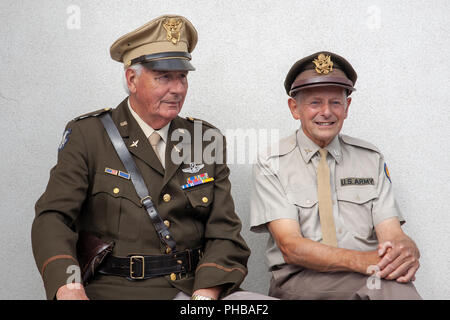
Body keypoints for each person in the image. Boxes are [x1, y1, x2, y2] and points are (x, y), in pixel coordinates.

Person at [32, 15, 265, 300]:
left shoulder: (205, 139)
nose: (178, 89)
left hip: (192, 289)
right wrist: (67, 285)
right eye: (164, 77)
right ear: (132, 79)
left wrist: (207, 292)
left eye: (182, 77)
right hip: (114, 290)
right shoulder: (88, 135)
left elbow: (225, 232)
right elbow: (53, 217)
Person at [249, 51, 422, 299]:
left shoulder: (370, 159)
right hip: (301, 279)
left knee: (400, 289)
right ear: (294, 108)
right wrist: (366, 262)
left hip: (368, 276)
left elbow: (391, 234)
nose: (326, 112)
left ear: (347, 107)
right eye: (315, 102)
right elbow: (291, 247)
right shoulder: (272, 163)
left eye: (336, 102)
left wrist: (404, 250)